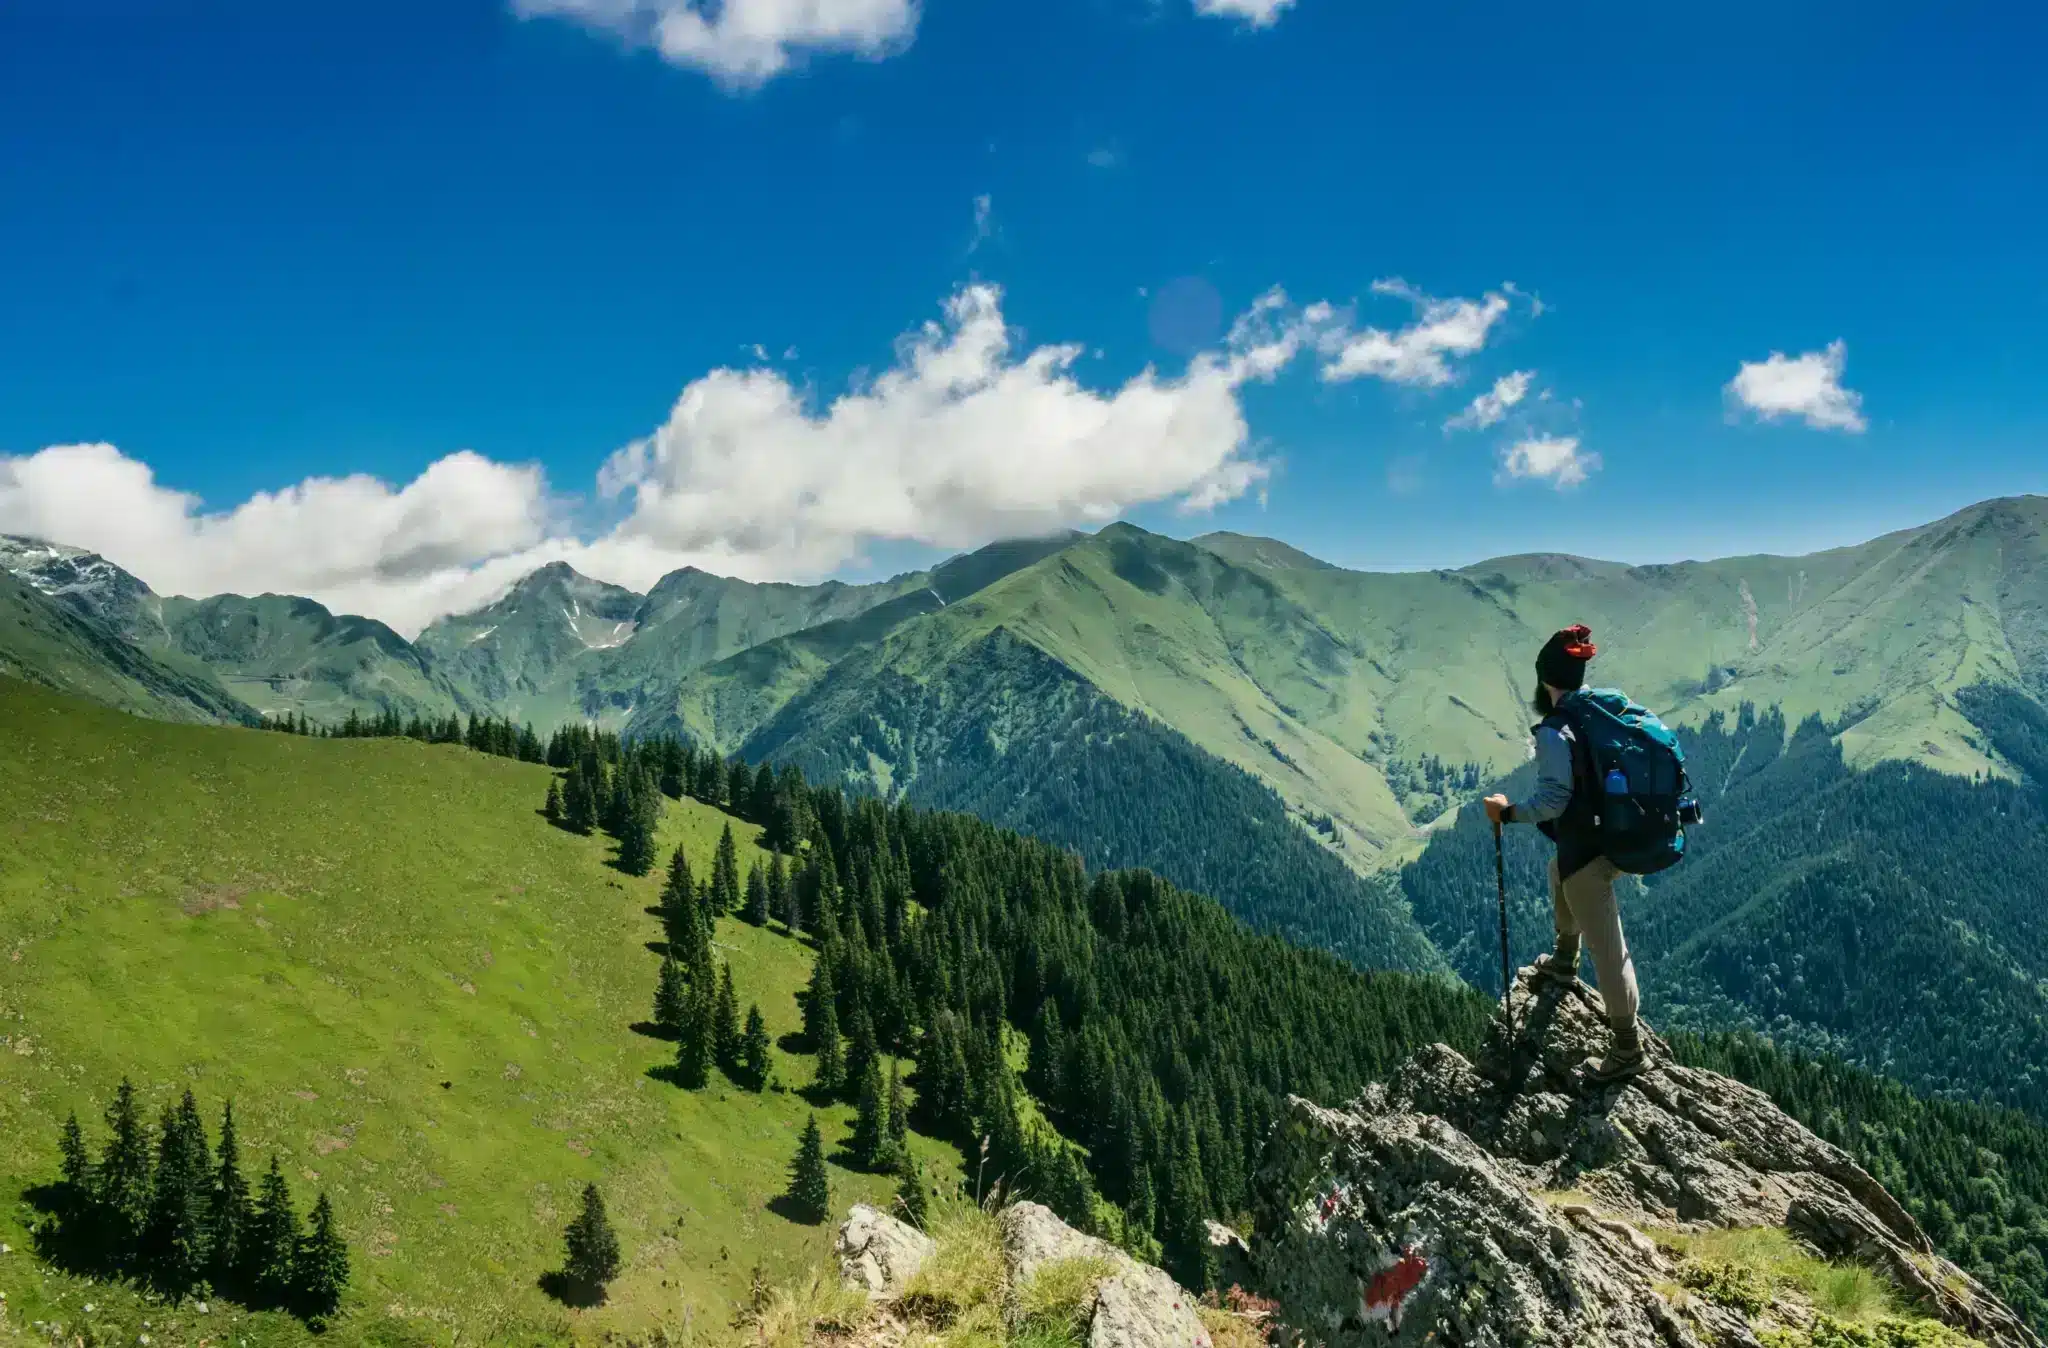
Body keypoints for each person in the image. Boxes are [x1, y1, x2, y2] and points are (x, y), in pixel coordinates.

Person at [1483, 624, 1645, 1082]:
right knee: (1560, 869)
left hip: (1591, 851)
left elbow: (1553, 800)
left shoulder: (1557, 730)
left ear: (1544, 680)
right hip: (1617, 833)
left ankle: (1627, 1048)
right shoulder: (1599, 708)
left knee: (1609, 948)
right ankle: (1564, 959)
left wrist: (1507, 813)